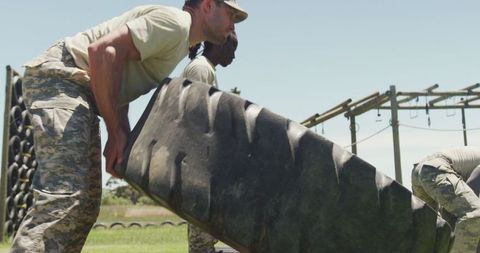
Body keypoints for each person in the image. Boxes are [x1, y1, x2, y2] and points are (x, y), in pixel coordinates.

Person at [10, 1, 247, 252]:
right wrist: (114, 131)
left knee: (85, 204)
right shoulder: (176, 24)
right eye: (231, 14)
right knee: (64, 197)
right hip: (63, 78)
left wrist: (123, 135)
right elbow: (102, 52)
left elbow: (118, 76)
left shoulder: (179, 41)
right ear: (208, 6)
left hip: (80, 91)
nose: (233, 24)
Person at [181, 32, 238, 253]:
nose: (234, 56)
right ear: (220, 46)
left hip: (202, 162)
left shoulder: (207, 69)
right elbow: (195, 118)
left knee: (206, 235)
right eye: (232, 50)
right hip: (197, 164)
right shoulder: (201, 69)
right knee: (201, 239)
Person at [411, 146, 480, 253]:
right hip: (435, 169)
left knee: (432, 230)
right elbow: (472, 187)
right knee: (474, 214)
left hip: (421, 171)